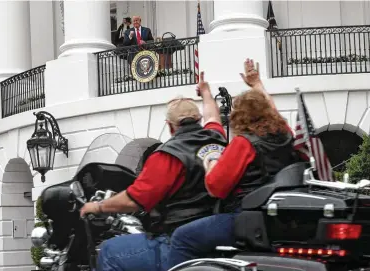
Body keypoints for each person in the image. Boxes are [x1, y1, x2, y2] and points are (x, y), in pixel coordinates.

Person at [80, 72, 227, 271]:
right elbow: (213, 116)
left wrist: (97, 207)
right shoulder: (216, 139)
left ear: (170, 126)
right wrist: (206, 93)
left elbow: (134, 200)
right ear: (198, 120)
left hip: (176, 239)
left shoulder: (168, 155)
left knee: (109, 251)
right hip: (213, 232)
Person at [166, 59, 302, 268]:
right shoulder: (284, 132)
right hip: (274, 216)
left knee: (181, 237)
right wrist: (256, 85)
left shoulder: (244, 143)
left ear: (238, 116)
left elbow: (215, 187)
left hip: (244, 216)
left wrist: (211, 162)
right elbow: (272, 108)